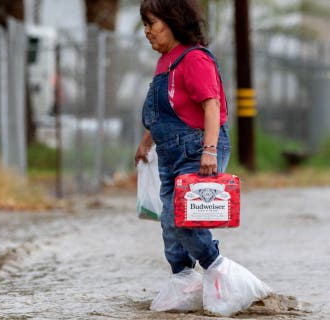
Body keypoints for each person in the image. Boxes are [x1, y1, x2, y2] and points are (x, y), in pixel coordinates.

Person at [134, 0, 271, 316]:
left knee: (186, 219)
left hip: (197, 148)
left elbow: (211, 106)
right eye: (144, 25)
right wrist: (146, 142)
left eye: (151, 23)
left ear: (171, 21)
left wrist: (209, 150)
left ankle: (220, 273)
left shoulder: (194, 58)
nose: (147, 32)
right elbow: (167, 110)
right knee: (170, 222)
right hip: (169, 152)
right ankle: (184, 283)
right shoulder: (164, 63)